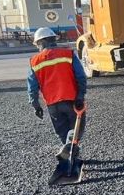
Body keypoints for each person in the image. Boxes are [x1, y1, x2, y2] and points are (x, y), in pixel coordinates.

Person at [27, 27, 87, 160]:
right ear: (53, 39)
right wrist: (80, 96)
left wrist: (36, 105)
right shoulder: (68, 54)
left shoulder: (35, 61)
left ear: (40, 42)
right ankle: (71, 153)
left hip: (53, 105)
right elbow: (81, 77)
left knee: (62, 132)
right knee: (76, 130)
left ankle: (70, 155)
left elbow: (32, 87)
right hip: (72, 100)